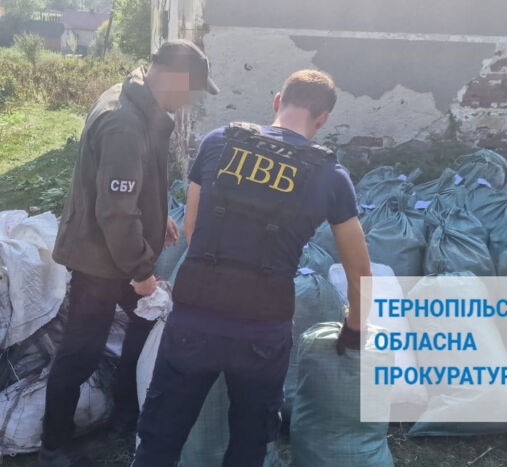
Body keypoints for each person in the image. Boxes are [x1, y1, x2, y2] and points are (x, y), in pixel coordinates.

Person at [133, 70, 372, 466]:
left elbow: (192, 228)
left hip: (195, 318)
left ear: (277, 101)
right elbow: (359, 270)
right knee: (249, 445)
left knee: (160, 440)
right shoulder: (331, 176)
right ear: (323, 119)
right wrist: (355, 328)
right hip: (262, 332)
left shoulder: (218, 141)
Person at [42, 39, 219, 466]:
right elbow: (117, 213)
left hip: (115, 250)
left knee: (145, 322)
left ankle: (125, 411)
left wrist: (160, 217)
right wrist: (141, 274)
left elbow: (131, 188)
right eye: (191, 89)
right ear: (174, 77)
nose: (190, 100)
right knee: (81, 349)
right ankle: (54, 444)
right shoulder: (124, 123)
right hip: (100, 258)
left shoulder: (139, 102)